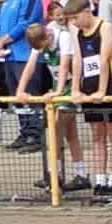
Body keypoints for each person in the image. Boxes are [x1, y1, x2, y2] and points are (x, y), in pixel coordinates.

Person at [67, 0, 112, 201]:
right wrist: (76, 89)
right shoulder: (77, 31)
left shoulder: (105, 27)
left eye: (76, 17)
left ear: (87, 11)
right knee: (97, 135)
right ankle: (100, 178)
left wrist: (102, 90)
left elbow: (104, 59)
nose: (74, 22)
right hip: (89, 85)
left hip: (111, 86)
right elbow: (77, 60)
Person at [21, 17, 89, 192]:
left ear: (48, 36)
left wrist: (58, 92)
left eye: (43, 46)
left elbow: (65, 65)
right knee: (70, 133)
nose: (42, 49)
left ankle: (54, 174)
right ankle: (79, 174)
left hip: (70, 85)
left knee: (56, 129)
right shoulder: (40, 40)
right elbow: (30, 66)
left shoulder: (63, 37)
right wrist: (20, 90)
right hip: (57, 84)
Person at [0, 0, 44, 151]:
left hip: (26, 53)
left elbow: (27, 22)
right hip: (10, 55)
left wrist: (4, 39)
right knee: (17, 94)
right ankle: (25, 131)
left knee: (29, 93)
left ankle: (36, 134)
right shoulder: (7, 1)